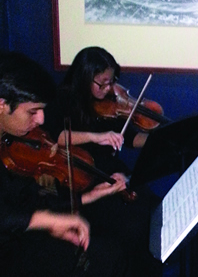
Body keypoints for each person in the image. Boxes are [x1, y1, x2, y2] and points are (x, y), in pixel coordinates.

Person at [0, 51, 128, 276]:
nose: (41, 120)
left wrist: (86, 197)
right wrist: (47, 220)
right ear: (2, 104)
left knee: (110, 254)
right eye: (33, 111)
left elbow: (26, 196)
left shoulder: (10, 141)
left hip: (20, 234)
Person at [43, 46, 162, 277]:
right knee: (132, 224)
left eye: (111, 81)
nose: (109, 89)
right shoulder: (63, 99)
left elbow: (128, 137)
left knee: (151, 205)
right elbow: (55, 135)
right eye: (102, 83)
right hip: (82, 177)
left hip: (110, 171)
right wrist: (95, 136)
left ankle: (148, 267)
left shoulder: (109, 103)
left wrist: (157, 139)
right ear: (84, 76)